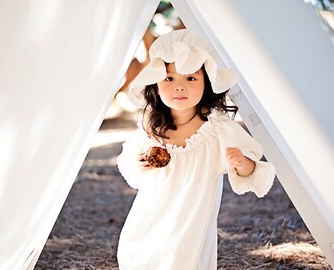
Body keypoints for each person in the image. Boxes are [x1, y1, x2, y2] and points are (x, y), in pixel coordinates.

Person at [116, 29, 275, 270]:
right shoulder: (153, 124)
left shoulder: (217, 129)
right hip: (151, 209)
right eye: (169, 79)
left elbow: (252, 167)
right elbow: (130, 160)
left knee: (181, 259)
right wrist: (139, 161)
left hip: (191, 215)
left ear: (207, 83)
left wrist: (242, 163)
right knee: (140, 253)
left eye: (190, 78)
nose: (179, 87)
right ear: (156, 84)